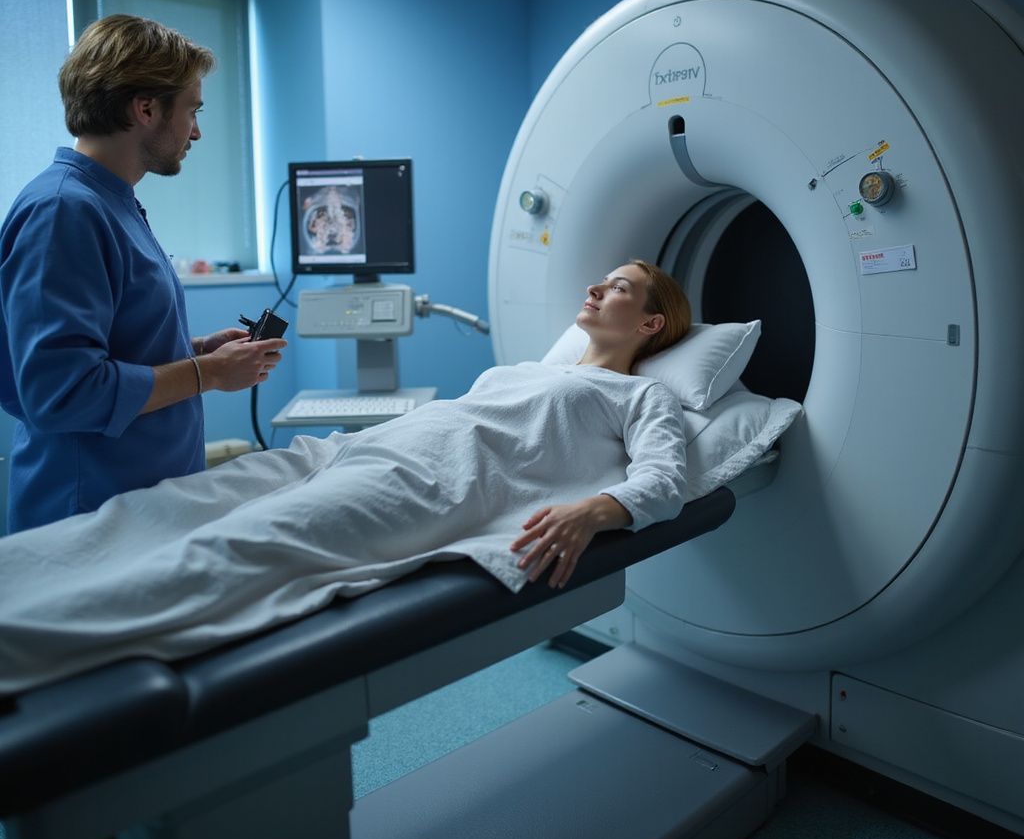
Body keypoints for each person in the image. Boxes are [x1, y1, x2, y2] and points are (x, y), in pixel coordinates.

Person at [0, 261, 690, 694]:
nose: (595, 287)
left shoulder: (641, 396)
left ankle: (22, 641)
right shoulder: (532, 370)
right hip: (352, 449)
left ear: (651, 322)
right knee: (166, 508)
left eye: (618, 288)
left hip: (431, 484)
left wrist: (595, 510)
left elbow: (666, 478)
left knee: (237, 545)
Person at [0, 14, 287, 534]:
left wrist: (196, 350)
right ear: (147, 108)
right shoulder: (64, 210)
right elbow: (63, 392)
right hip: (88, 518)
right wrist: (210, 373)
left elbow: (114, 345)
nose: (196, 131)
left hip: (143, 506)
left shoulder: (112, 203)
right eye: (192, 110)